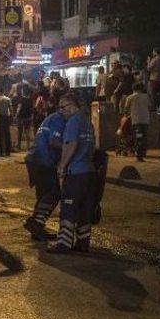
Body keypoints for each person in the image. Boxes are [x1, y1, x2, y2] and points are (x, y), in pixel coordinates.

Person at [49, 93, 96, 254]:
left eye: (63, 107)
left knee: (68, 209)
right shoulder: (86, 122)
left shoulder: (73, 122)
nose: (61, 111)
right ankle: (83, 243)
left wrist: (62, 165)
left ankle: (63, 244)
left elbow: (71, 144)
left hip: (75, 172)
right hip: (89, 172)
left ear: (71, 105)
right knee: (84, 209)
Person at [24, 108, 66, 240]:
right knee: (53, 194)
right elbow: (54, 141)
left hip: (34, 159)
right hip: (43, 160)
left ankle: (37, 230)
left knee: (43, 195)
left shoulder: (51, 118)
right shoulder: (59, 120)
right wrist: (71, 148)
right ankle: (36, 222)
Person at [125, 82, 150, 161]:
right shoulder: (146, 97)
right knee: (144, 137)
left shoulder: (130, 97)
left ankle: (139, 155)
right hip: (145, 120)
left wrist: (127, 114)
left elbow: (126, 108)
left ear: (133, 88)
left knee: (139, 137)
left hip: (136, 121)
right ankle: (143, 153)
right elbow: (150, 105)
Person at [0, 87, 13, 156]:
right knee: (7, 134)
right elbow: (11, 110)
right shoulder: (7, 99)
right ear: (3, 91)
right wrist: (12, 117)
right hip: (6, 117)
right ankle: (7, 151)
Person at [147, 47, 160, 112]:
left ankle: (153, 107)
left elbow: (149, 68)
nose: (152, 52)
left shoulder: (155, 59)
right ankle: (159, 107)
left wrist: (148, 61)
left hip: (154, 79)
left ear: (156, 52)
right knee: (159, 94)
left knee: (152, 93)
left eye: (153, 51)